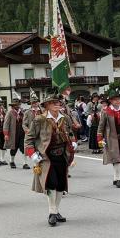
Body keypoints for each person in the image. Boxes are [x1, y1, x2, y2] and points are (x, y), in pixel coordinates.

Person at [25, 88, 78, 226]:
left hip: (62, 156)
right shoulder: (39, 120)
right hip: (46, 158)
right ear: (47, 105)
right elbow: (29, 139)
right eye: (53, 102)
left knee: (61, 185)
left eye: (58, 102)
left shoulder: (65, 118)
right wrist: (32, 154)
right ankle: (52, 212)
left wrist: (73, 142)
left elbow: (70, 133)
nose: (57, 104)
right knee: (51, 184)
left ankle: (56, 211)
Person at [98, 87, 120, 187]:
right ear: (111, 101)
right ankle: (118, 179)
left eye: (118, 99)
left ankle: (115, 178)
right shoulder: (106, 112)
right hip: (112, 139)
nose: (117, 101)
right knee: (117, 159)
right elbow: (101, 126)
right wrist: (100, 139)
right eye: (115, 99)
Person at [3, 97, 29, 170]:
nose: (18, 106)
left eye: (18, 104)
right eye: (16, 105)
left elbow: (26, 122)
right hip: (13, 134)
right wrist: (6, 134)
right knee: (13, 148)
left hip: (22, 133)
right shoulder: (10, 113)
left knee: (24, 148)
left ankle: (25, 163)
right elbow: (6, 124)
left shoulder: (22, 112)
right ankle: (12, 161)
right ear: (13, 105)